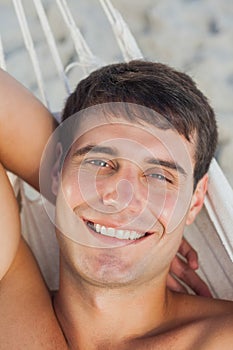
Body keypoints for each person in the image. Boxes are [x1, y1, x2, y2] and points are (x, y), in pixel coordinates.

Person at [0, 60, 232, 349]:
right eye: (98, 161)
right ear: (57, 170)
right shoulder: (10, 301)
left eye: (159, 175)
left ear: (194, 201)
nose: (121, 199)